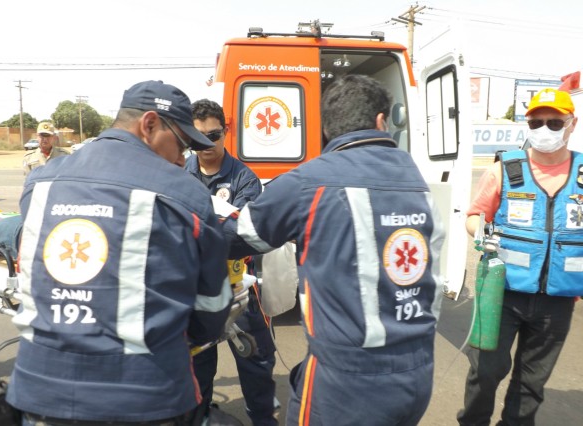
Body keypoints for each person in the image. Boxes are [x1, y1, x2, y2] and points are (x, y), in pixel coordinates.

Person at [6, 80, 233, 425]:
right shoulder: (186, 195)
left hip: (38, 392)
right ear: (150, 124)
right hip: (145, 396)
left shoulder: (41, 181)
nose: (181, 158)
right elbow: (210, 309)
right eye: (181, 144)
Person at [222, 75, 446, 426]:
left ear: (326, 129)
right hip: (417, 369)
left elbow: (239, 237)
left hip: (346, 382)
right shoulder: (414, 176)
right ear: (380, 121)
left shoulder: (308, 182)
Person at [457, 88, 582, 426]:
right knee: (485, 372)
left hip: (557, 300)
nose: (544, 129)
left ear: (572, 124)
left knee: (532, 383)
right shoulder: (505, 168)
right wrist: (482, 235)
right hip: (502, 291)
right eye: (536, 122)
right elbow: (474, 215)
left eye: (555, 122)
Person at [185, 99, 277, 426]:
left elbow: (241, 236)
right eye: (198, 136)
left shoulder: (245, 179)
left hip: (239, 289)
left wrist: (194, 230)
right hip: (195, 291)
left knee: (255, 362)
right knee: (198, 367)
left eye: (214, 134)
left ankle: (263, 419)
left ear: (225, 132)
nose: (207, 143)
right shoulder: (181, 174)